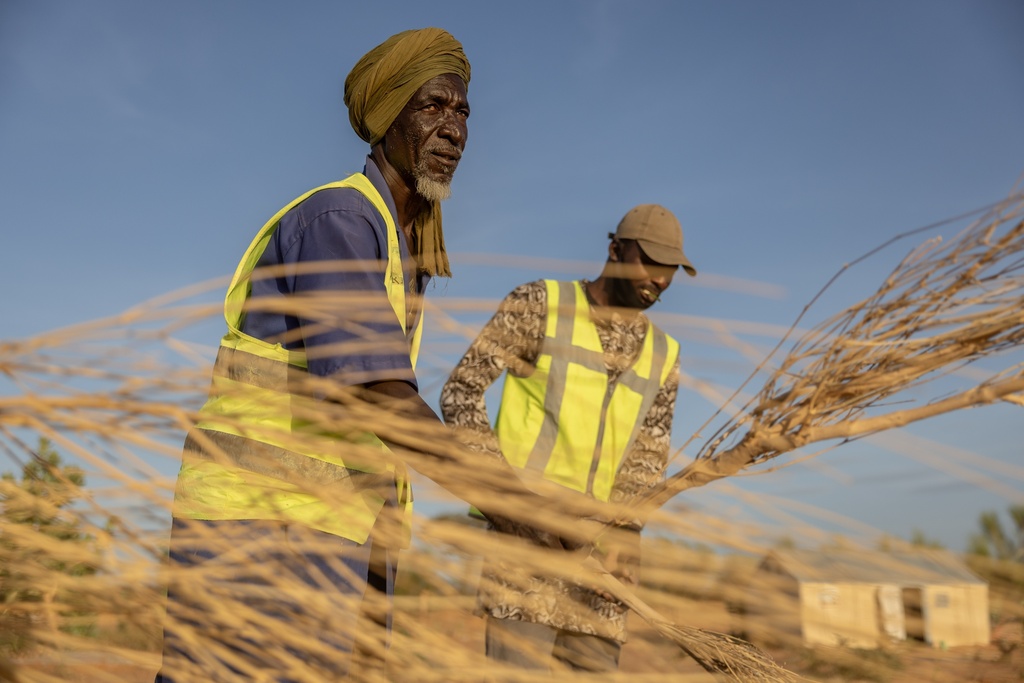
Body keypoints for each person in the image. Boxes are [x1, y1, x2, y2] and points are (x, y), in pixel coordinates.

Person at [155, 28, 481, 682]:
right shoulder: (340, 220)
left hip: (327, 532)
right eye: (432, 107)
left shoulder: (396, 246)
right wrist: (512, 501)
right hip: (258, 529)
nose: (453, 129)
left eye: (463, 111)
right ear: (388, 117)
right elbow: (377, 396)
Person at [440, 204, 697, 673]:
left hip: (601, 572)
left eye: (670, 270)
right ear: (614, 249)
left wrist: (629, 532)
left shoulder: (666, 353)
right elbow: (461, 393)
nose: (660, 280)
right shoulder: (540, 303)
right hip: (526, 553)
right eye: (651, 262)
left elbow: (649, 454)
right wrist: (511, 504)